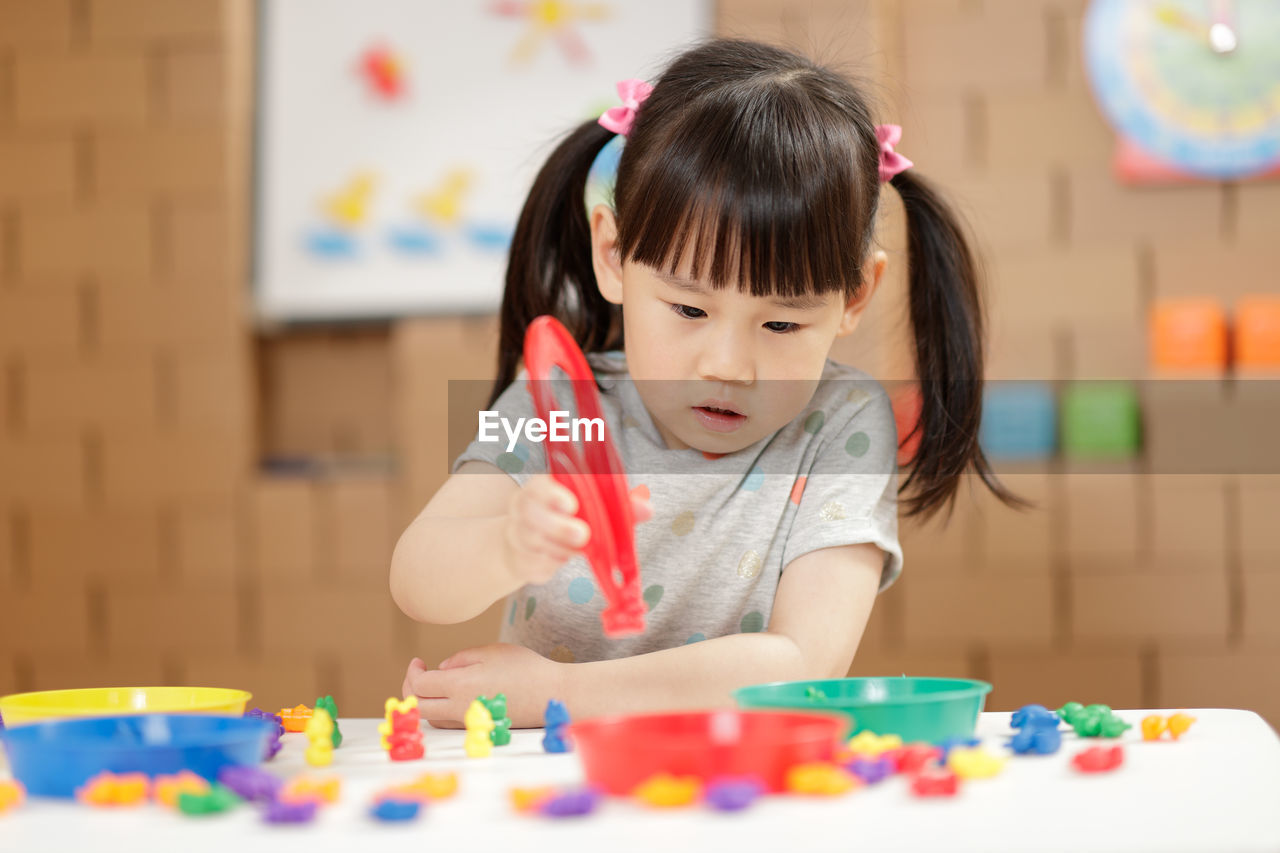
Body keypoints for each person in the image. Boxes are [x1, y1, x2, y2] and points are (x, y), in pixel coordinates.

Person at [390, 38, 1012, 728]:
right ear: (614, 256)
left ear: (855, 295)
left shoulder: (842, 424)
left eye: (780, 325)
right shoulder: (561, 402)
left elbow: (803, 666)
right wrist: (507, 544)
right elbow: (417, 579)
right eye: (689, 309)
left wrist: (557, 694)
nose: (728, 365)